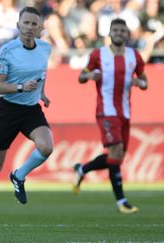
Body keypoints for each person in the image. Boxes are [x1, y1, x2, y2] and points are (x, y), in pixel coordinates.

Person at [0, 6, 53, 223]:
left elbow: (41, 72)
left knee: (46, 146)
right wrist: (20, 87)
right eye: (25, 23)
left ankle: (19, 175)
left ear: (39, 27)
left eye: (33, 24)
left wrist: (42, 93)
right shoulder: (6, 51)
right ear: (18, 25)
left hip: (30, 109)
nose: (29, 27)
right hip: (7, 109)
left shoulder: (45, 48)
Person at [73, 18, 148, 214]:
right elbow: (81, 76)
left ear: (127, 34)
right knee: (116, 153)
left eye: (122, 30)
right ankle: (121, 202)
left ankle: (82, 169)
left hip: (125, 112)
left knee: (118, 157)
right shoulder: (98, 54)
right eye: (115, 30)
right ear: (109, 33)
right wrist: (89, 76)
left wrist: (140, 84)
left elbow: (144, 81)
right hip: (105, 111)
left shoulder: (135, 56)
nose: (119, 33)